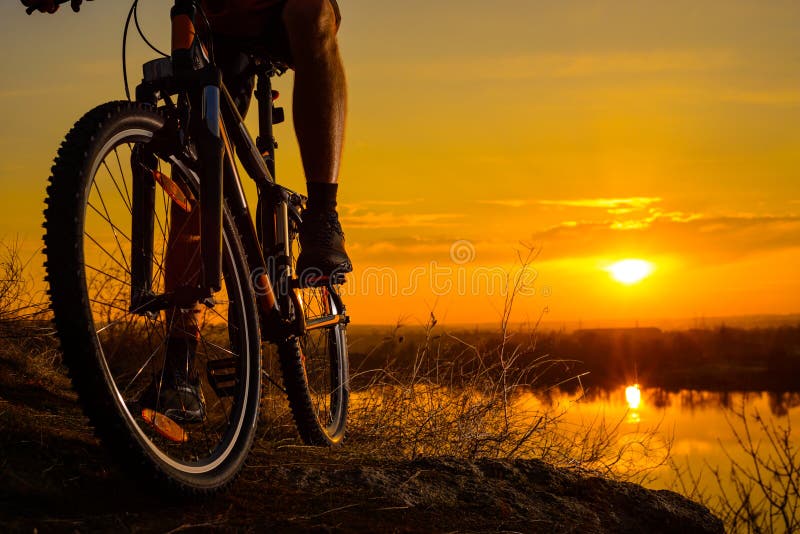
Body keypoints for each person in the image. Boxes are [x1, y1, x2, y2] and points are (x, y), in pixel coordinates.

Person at [25, 0, 352, 422]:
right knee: (194, 174)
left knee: (313, 15)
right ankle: (179, 370)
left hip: (275, 15)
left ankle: (323, 214)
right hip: (207, 23)